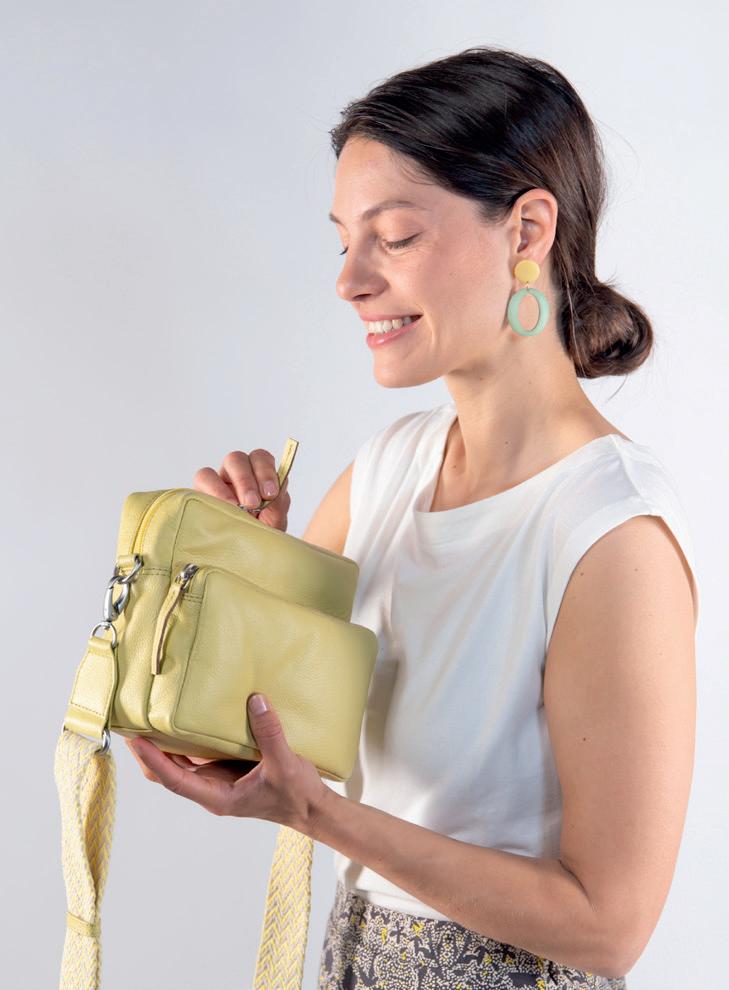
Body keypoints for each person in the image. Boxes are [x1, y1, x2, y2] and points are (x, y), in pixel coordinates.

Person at [128, 45, 699, 989]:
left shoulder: (608, 532)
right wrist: (237, 580)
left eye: (392, 237)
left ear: (526, 230)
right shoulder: (386, 473)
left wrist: (321, 817)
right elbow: (243, 743)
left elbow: (609, 926)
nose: (348, 280)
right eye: (342, 241)